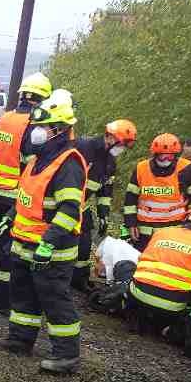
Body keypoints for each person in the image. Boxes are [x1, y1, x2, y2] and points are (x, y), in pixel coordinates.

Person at [0, 90, 87, 374]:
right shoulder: (37, 159)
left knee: (55, 300)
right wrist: (8, 218)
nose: (36, 131)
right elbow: (24, 196)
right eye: (37, 126)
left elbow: (69, 211)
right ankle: (20, 339)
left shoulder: (68, 163)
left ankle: (66, 355)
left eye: (43, 127)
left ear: (59, 130)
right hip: (24, 242)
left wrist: (48, 243)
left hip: (52, 249)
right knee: (23, 295)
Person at [0, 71, 52, 312]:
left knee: (0, 241)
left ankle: (0, 295)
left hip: (0, 189)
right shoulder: (33, 124)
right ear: (42, 99)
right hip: (19, 195)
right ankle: (4, 301)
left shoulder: (6, 118)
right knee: (11, 248)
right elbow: (31, 164)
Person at [126, 207, 191, 357]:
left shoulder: (161, 234)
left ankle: (138, 317)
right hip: (170, 308)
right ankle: (170, 330)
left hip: (137, 295)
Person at [71, 118, 138, 290]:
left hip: (82, 206)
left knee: (84, 243)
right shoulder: (84, 147)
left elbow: (105, 190)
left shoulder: (110, 161)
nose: (122, 149)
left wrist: (103, 216)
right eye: (122, 144)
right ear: (110, 137)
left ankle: (78, 279)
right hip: (64, 203)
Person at [123, 133, 191, 250]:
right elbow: (130, 199)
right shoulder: (141, 168)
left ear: (175, 155)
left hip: (175, 231)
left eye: (170, 157)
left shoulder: (187, 169)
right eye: (162, 156)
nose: (166, 160)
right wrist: (131, 224)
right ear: (155, 154)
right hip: (145, 232)